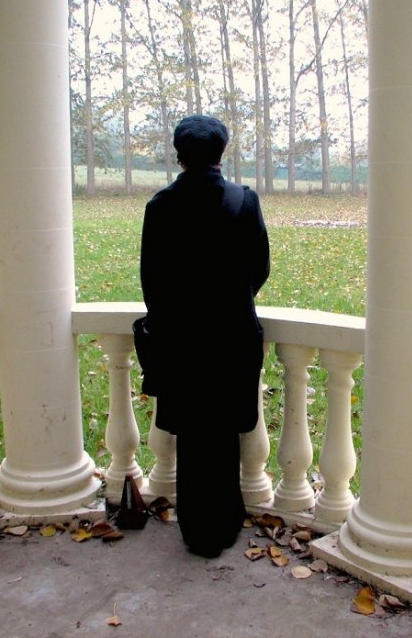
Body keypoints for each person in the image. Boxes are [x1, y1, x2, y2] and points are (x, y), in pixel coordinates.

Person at [138, 115, 270, 558]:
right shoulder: (243, 201)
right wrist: (229, 301)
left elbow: (151, 282)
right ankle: (224, 523)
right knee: (223, 434)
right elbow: (259, 270)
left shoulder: (159, 206)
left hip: (181, 344)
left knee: (193, 437)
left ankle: (194, 528)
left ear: (179, 155)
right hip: (230, 338)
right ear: (221, 153)